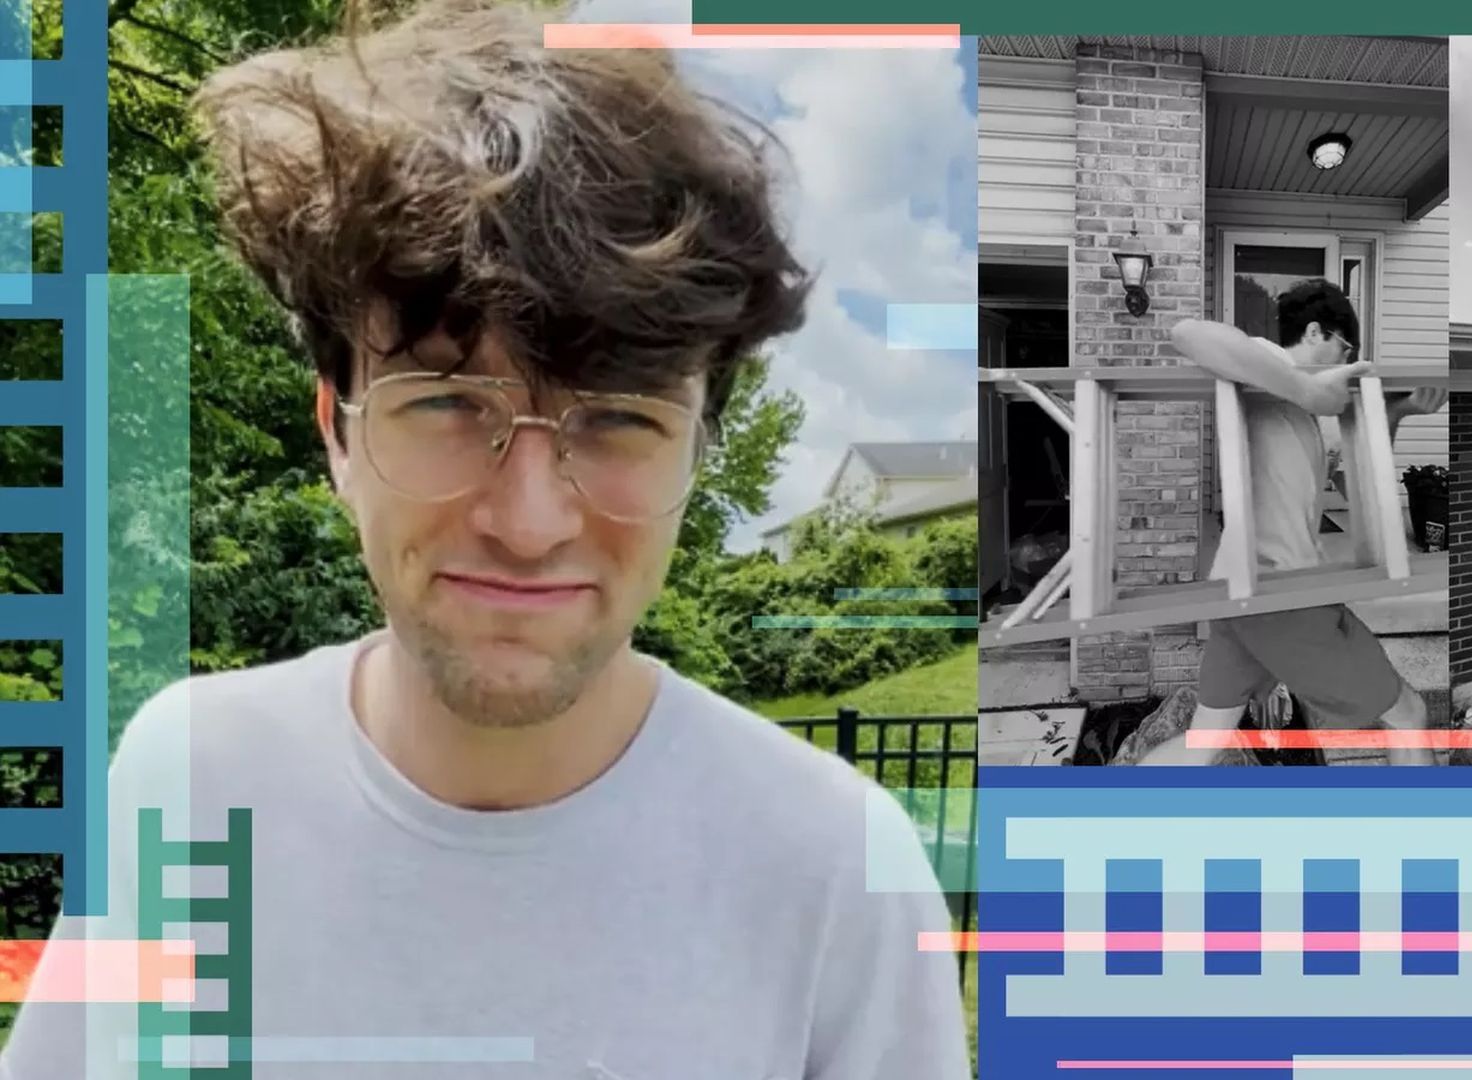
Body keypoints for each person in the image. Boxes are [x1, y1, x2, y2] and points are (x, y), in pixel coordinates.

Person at [0, 2, 970, 1077]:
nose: (529, 521)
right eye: (449, 406)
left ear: (697, 453)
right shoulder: (192, 780)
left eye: (618, 420)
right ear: (338, 432)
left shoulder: (836, 866)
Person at [1145, 279, 1447, 768]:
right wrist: (1307, 386)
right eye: (1344, 349)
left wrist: (1394, 413)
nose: (1344, 363)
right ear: (1313, 333)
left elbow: (1359, 487)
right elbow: (1186, 332)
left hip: (1244, 592)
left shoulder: (1296, 414)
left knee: (1208, 740)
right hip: (1277, 594)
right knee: (1409, 715)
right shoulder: (1263, 362)